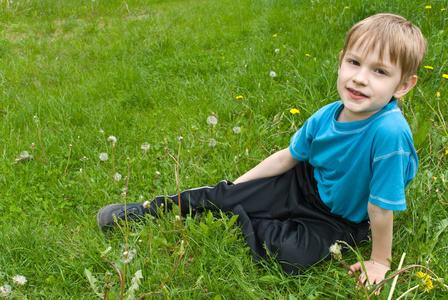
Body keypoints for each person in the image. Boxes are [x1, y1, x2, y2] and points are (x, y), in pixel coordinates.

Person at [97, 13, 426, 287]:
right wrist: (240, 187)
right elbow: (287, 157)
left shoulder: (389, 134)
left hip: (339, 220)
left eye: (379, 71)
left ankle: (247, 216)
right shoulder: (327, 116)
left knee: (291, 257)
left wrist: (380, 261)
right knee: (225, 195)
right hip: (304, 184)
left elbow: (381, 208)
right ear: (341, 62)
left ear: (403, 85)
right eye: (354, 63)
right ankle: (151, 209)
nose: (360, 79)